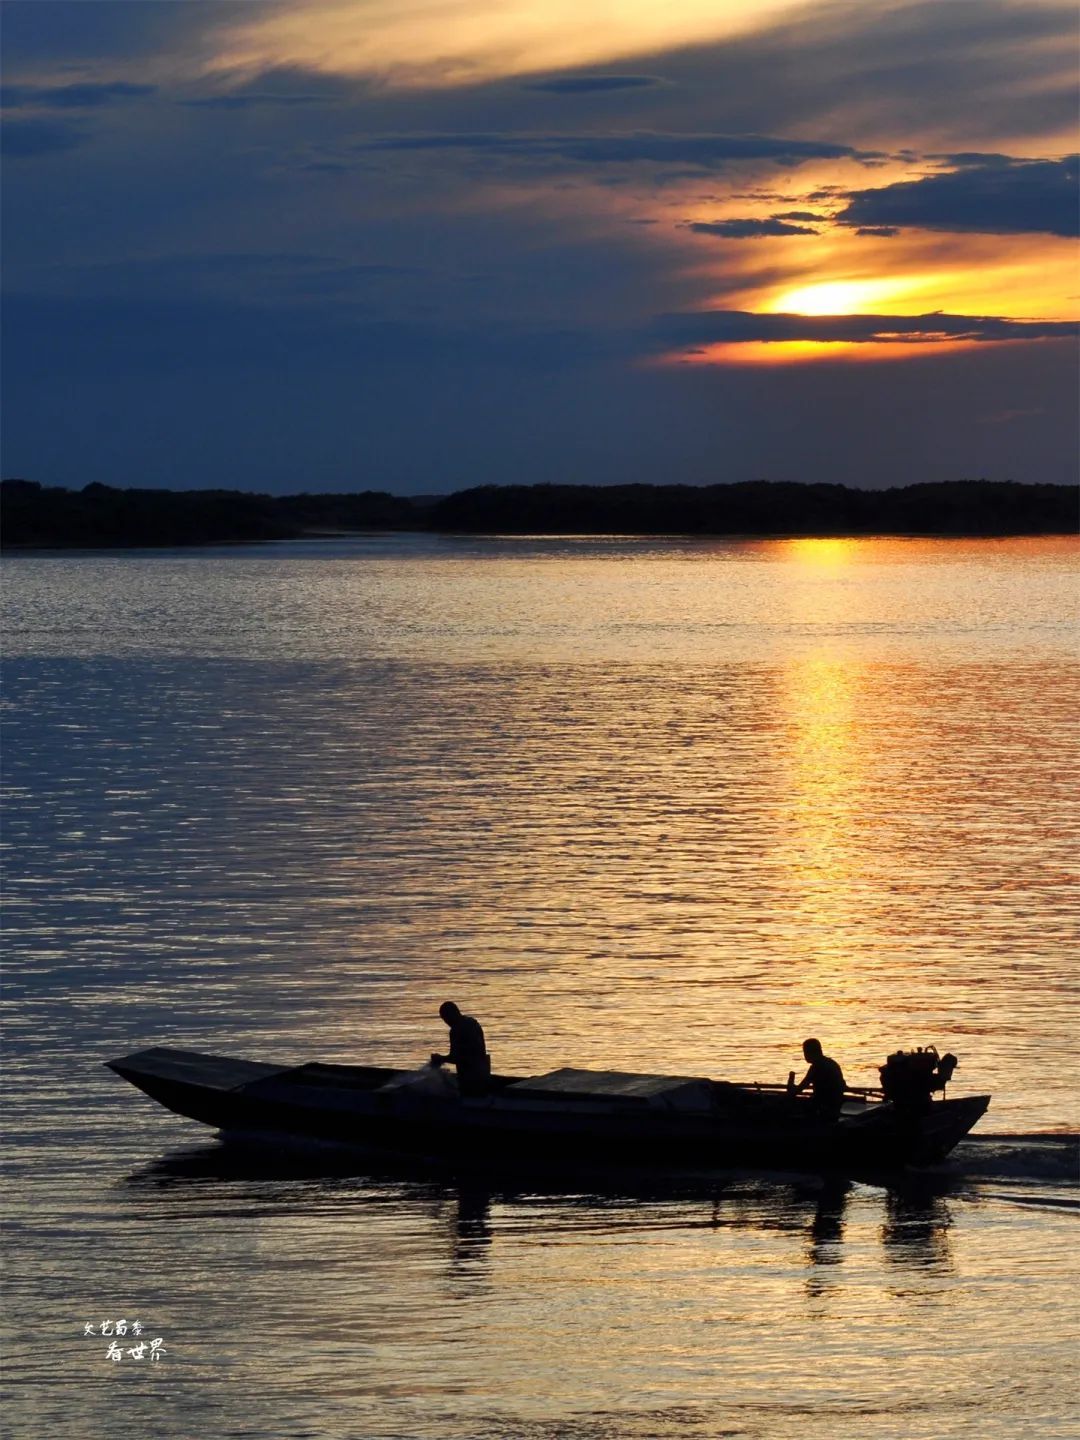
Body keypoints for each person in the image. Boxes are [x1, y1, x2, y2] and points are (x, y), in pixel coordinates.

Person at [431, 1002, 491, 1097]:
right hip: (483, 1075)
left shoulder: (456, 1030)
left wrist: (440, 1059)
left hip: (470, 1080)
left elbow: (455, 1058)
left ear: (451, 1015)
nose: (446, 1022)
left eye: (445, 1018)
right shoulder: (473, 1023)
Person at [790, 1038, 846, 1121]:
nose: (804, 1055)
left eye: (805, 1052)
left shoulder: (816, 1067)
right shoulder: (832, 1063)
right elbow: (843, 1085)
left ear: (812, 1052)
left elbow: (801, 1087)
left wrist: (786, 1097)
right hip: (836, 1105)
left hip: (824, 1107)